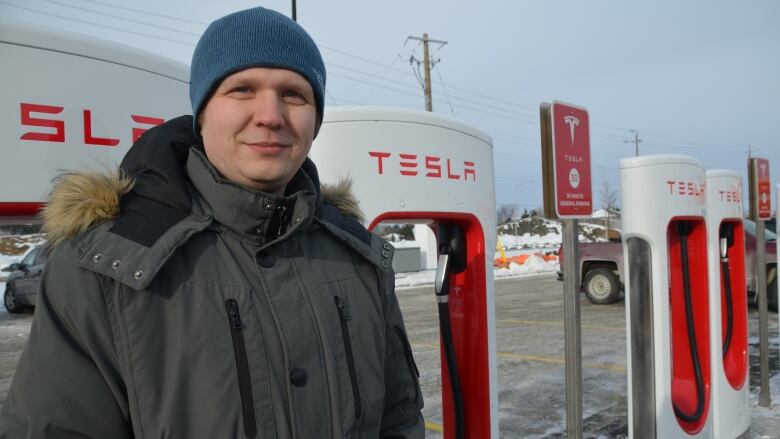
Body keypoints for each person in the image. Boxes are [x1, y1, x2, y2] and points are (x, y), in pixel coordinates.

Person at [0, 7, 424, 438]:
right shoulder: (103, 263)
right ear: (202, 113)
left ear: (314, 121)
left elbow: (399, 419)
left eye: (294, 94)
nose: (271, 115)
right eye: (242, 89)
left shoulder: (360, 258)